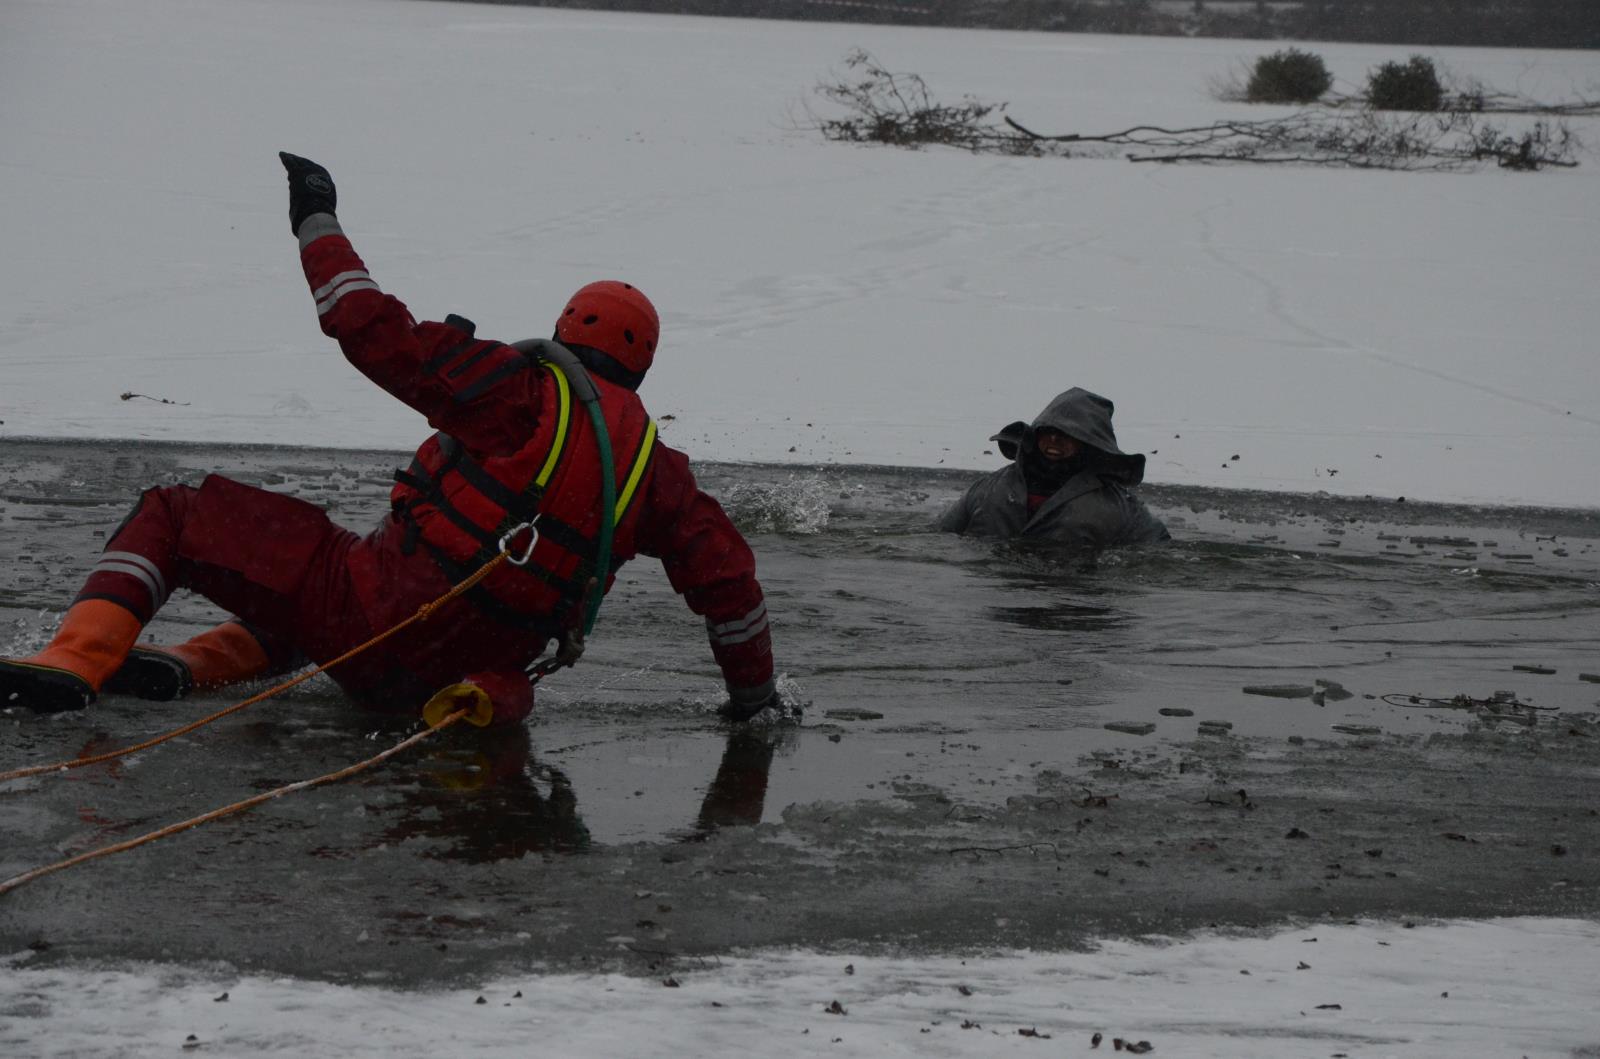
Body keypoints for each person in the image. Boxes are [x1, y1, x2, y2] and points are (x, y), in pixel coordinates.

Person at [0, 153, 777, 727]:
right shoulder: (661, 478)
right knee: (315, 595)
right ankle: (191, 664)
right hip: (461, 686)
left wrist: (317, 219)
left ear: (567, 329)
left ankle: (71, 664)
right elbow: (733, 590)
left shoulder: (513, 387)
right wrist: (754, 701)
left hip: (366, 619)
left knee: (175, 514)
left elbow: (370, 328)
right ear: (642, 364)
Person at [937, 387, 1169, 550]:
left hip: (1069, 606)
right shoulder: (990, 489)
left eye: (1068, 435)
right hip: (994, 605)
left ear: (1088, 444)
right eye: (1048, 432)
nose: (1054, 441)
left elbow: (1159, 554)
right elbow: (938, 535)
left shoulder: (1118, 508)